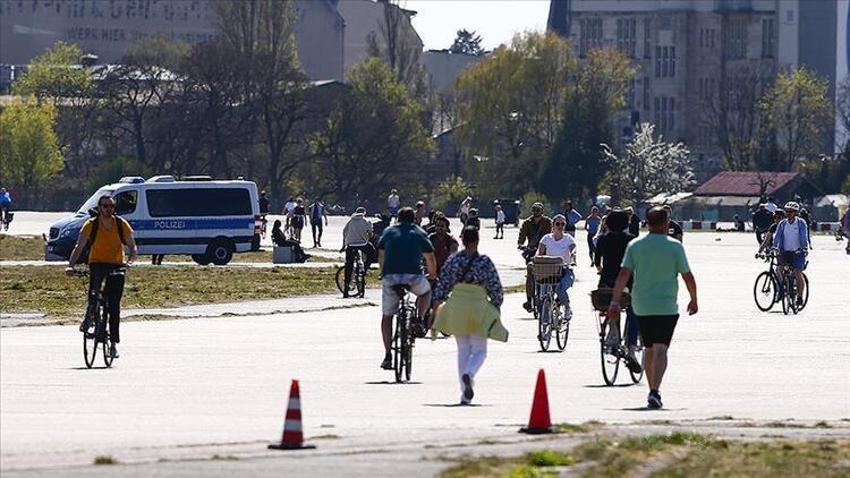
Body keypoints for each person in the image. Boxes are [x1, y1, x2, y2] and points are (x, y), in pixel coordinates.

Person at [608, 206, 698, 409]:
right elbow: (687, 276)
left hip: (642, 305)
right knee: (661, 349)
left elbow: (624, 274)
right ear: (666, 223)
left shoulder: (635, 245)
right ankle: (654, 390)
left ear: (647, 223)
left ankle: (652, 389)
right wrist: (694, 298)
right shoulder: (675, 246)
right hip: (666, 306)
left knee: (648, 348)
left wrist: (615, 301)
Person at [432, 226, 507, 405]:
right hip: (478, 307)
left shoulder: (453, 260)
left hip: (457, 306)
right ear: (477, 240)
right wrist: (496, 305)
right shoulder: (485, 262)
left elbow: (443, 285)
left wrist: (435, 308)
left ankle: (464, 394)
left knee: (463, 350)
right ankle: (470, 374)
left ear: (463, 240)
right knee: (480, 350)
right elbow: (495, 287)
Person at [66, 195, 138, 359]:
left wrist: (130, 261)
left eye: (111, 206)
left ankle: (113, 344)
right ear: (99, 208)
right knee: (94, 292)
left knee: (114, 306)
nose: (108, 209)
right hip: (97, 263)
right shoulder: (91, 225)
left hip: (117, 265)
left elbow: (133, 247)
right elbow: (79, 246)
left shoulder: (121, 224)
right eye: (105, 206)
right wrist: (71, 265)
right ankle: (90, 316)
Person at [377, 207, 437, 369]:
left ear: (398, 218)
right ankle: (418, 318)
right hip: (413, 276)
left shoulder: (389, 232)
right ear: (413, 219)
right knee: (426, 292)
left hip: (391, 277)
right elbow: (430, 257)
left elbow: (381, 253)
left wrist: (383, 272)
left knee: (387, 316)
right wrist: (432, 274)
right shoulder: (419, 232)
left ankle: (388, 355)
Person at [594, 209, 641, 371]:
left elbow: (597, 261)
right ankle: (632, 349)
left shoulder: (602, 240)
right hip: (627, 282)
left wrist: (603, 269)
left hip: (605, 283)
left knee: (612, 305)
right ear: (626, 224)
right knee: (634, 311)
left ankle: (613, 330)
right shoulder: (631, 240)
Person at [536, 214, 576, 320]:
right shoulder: (546, 238)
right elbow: (539, 253)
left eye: (563, 224)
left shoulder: (568, 239)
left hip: (565, 271)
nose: (560, 226)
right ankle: (545, 328)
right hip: (549, 271)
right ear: (553, 226)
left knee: (559, 288)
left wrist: (572, 258)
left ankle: (567, 308)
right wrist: (536, 260)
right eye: (557, 224)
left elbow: (573, 250)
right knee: (545, 296)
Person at [771, 201, 809, 307]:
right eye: (787, 211)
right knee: (780, 269)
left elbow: (804, 236)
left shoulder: (801, 223)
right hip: (785, 251)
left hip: (798, 252)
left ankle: (800, 296)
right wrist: (774, 247)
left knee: (797, 272)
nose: (788, 213)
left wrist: (804, 248)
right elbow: (777, 236)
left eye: (791, 211)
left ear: (795, 213)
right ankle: (782, 290)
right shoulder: (782, 223)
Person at [517, 202, 552, 312]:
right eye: (534, 210)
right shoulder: (527, 223)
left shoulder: (548, 222)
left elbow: (552, 234)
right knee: (530, 273)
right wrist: (521, 244)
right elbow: (522, 235)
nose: (536, 212)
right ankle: (529, 300)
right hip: (531, 252)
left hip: (545, 252)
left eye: (538, 210)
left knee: (549, 275)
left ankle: (549, 296)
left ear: (542, 211)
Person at [342, 207, 375, 298]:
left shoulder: (350, 221)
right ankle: (365, 268)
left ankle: (346, 288)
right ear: (364, 213)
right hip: (362, 244)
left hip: (351, 245)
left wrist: (344, 245)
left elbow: (344, 232)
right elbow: (370, 233)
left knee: (349, 265)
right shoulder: (366, 221)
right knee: (372, 252)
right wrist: (368, 236)